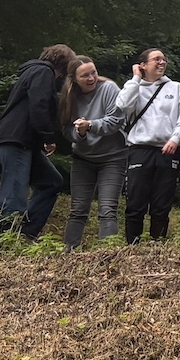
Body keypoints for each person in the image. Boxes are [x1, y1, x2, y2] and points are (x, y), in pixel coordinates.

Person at [0, 44, 75, 238]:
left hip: (23, 140)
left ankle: (26, 233)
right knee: (14, 193)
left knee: (51, 181)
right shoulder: (42, 72)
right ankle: (5, 238)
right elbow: (39, 105)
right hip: (16, 139)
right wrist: (48, 137)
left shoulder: (34, 71)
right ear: (64, 66)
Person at [115, 48, 180, 243]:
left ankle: (157, 245)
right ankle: (132, 245)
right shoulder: (134, 87)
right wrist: (135, 78)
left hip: (167, 150)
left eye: (164, 59)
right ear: (143, 65)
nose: (162, 62)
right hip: (139, 150)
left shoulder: (176, 88)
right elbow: (122, 105)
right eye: (156, 59)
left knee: (162, 204)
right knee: (136, 202)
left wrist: (175, 139)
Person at [60, 55, 125, 248]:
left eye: (93, 73)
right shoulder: (69, 97)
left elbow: (115, 121)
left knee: (108, 209)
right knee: (78, 209)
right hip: (83, 158)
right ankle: (69, 254)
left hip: (113, 158)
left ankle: (108, 254)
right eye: (85, 76)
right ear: (74, 79)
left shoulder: (109, 88)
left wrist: (89, 125)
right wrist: (79, 133)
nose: (91, 78)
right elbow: (66, 130)